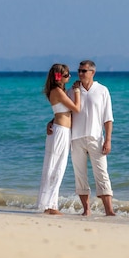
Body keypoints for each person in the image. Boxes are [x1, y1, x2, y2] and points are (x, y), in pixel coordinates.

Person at [67, 60, 115, 216]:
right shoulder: (73, 90)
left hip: (96, 138)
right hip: (76, 137)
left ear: (92, 72)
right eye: (79, 70)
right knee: (80, 174)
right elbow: (64, 112)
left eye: (83, 71)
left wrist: (108, 139)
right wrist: (52, 122)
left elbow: (108, 118)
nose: (80, 73)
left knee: (102, 173)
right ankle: (86, 210)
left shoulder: (102, 90)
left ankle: (109, 211)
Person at [37, 63, 81, 215]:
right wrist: (77, 91)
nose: (69, 77)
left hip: (60, 130)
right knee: (56, 167)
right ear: (59, 76)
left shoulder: (58, 91)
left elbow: (60, 112)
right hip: (60, 132)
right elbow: (76, 108)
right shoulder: (57, 91)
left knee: (55, 167)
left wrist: (50, 121)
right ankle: (50, 205)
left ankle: (50, 204)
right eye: (67, 75)